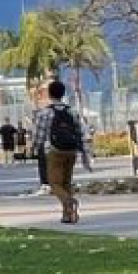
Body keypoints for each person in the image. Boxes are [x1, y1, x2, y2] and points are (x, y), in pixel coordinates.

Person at [35, 80, 83, 223]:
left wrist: (36, 148)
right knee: (66, 182)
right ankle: (68, 215)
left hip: (55, 151)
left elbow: (40, 134)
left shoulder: (45, 112)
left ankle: (69, 202)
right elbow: (80, 131)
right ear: (63, 94)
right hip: (71, 150)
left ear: (50, 94)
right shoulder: (72, 111)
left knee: (54, 183)